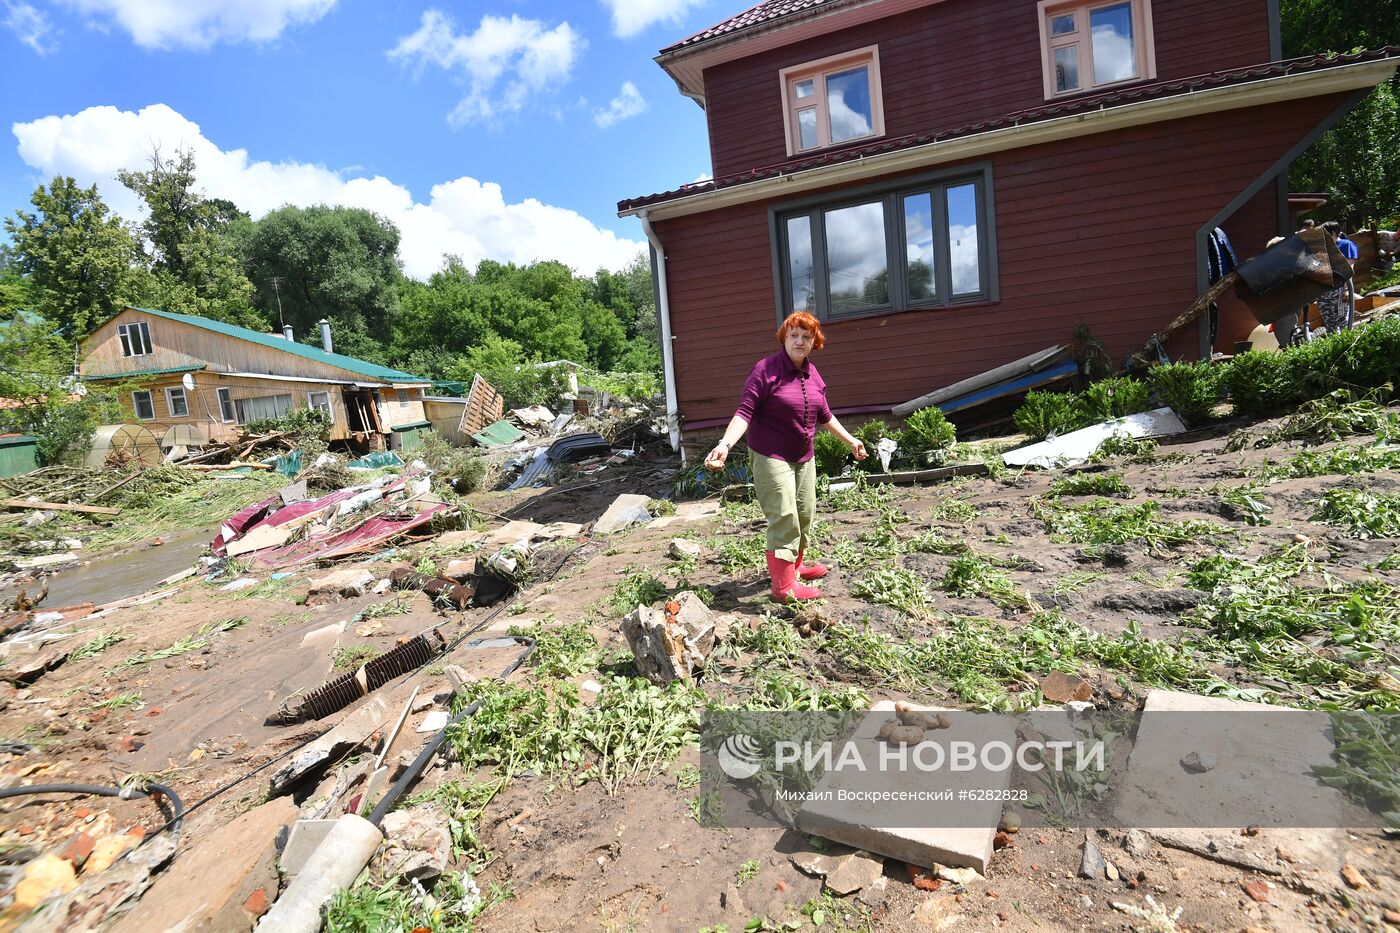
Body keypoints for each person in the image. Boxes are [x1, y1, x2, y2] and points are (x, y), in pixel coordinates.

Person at [704, 311, 868, 602]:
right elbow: (745, 412)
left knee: (805, 514)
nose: (800, 341)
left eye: (807, 337)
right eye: (794, 335)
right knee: (784, 516)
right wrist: (725, 445)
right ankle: (783, 588)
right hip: (771, 454)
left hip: (803, 456)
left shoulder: (813, 374)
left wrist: (851, 440)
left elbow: (825, 415)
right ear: (785, 338)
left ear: (814, 342)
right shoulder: (766, 370)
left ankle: (795, 568)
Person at [1318, 221, 1356, 333]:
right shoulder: (1322, 248)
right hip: (1324, 289)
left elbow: (1350, 268)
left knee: (1342, 320)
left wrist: (1346, 289)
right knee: (1328, 321)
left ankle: (1347, 344)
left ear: (1334, 233)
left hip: (1339, 288)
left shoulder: (1346, 245)